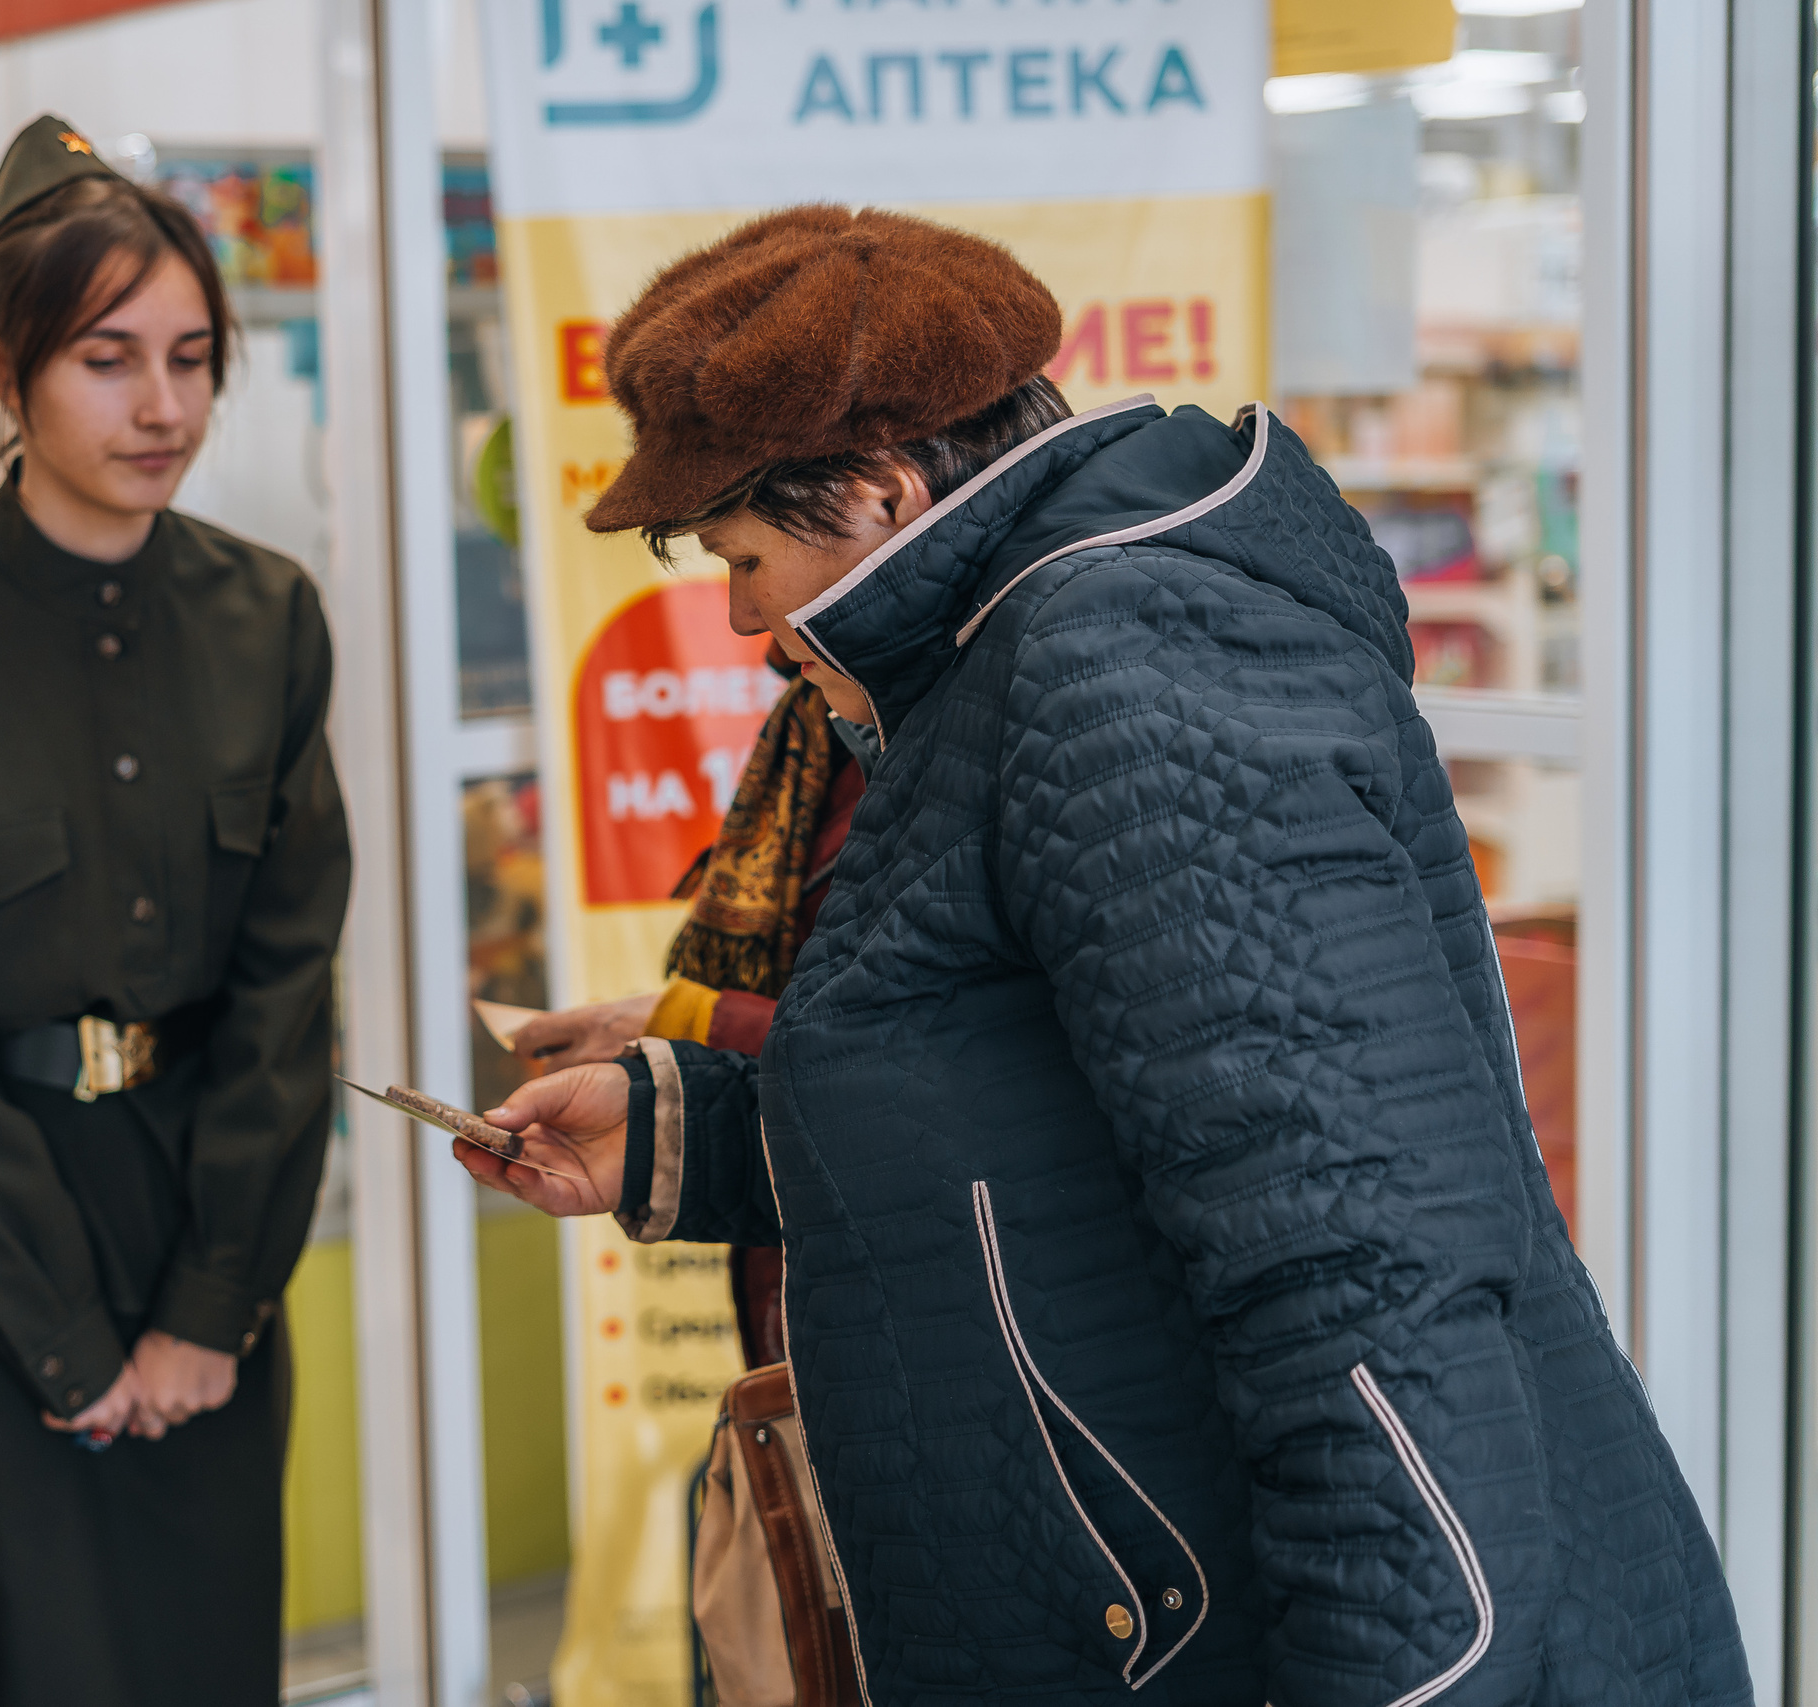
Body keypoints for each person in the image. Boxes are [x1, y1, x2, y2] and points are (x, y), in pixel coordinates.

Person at [458, 206, 1750, 1706]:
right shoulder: (1003, 670)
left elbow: (1355, 1259)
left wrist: (1401, 1678)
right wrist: (690, 1128)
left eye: (748, 557)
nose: (747, 619)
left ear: (879, 492)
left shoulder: (1122, 664)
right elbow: (1050, 1125)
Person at [0, 114, 351, 1707]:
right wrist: (67, 1341)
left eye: (192, 355)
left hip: (206, 1247)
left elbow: (286, 984)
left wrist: (207, 1308)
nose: (163, 404)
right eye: (109, 358)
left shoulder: (268, 620)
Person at [509, 639, 874, 1366]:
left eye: (746, 556)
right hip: (822, 1284)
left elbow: (913, 1063)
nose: (744, 619)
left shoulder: (908, 733)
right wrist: (653, 1128)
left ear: (892, 514)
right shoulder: (815, 724)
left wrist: (688, 1025)